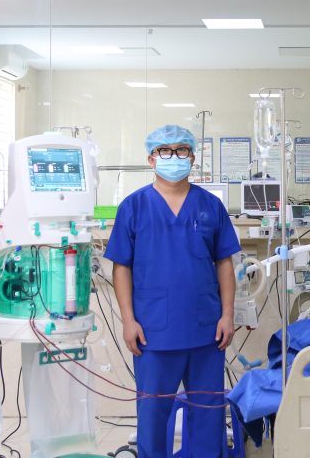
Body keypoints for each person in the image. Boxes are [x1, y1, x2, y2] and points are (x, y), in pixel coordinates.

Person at [105, 124, 240, 458]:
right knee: (153, 416)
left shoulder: (210, 206)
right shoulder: (133, 206)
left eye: (181, 150)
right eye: (165, 150)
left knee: (208, 414)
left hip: (206, 330)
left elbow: (225, 263)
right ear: (151, 158)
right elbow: (121, 268)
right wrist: (128, 320)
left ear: (192, 157)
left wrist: (227, 315)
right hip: (153, 331)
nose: (174, 156)